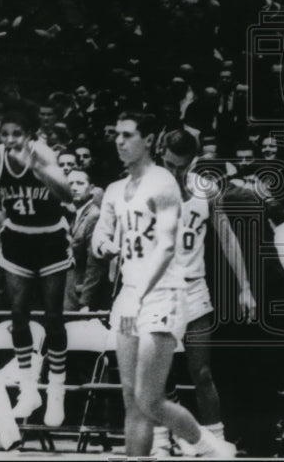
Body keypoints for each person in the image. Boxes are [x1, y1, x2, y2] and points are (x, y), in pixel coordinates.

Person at [90, 113, 235, 458]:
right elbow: (101, 233)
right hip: (129, 294)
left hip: (162, 294)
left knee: (150, 398)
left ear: (149, 140)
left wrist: (140, 296)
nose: (119, 141)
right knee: (132, 399)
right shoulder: (114, 189)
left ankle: (210, 447)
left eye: (128, 135)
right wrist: (102, 245)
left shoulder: (163, 182)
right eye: (117, 134)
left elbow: (168, 246)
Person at [0, 109, 74, 426]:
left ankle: (56, 391)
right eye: (5, 134)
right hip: (18, 241)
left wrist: (37, 167)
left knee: (53, 318)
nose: (10, 140)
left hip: (50, 240)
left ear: (31, 135)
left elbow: (67, 195)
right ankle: (28, 390)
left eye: (16, 134)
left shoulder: (44, 154)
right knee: (18, 315)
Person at [151, 131, 258, 456]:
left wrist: (245, 287)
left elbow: (227, 239)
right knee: (158, 375)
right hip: (157, 289)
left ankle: (215, 442)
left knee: (202, 373)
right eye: (169, 164)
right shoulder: (147, 188)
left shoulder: (206, 189)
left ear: (193, 161)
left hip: (195, 289)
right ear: (160, 154)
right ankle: (159, 443)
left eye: (182, 167)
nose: (176, 172)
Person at [63, 169, 110, 313]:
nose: (74, 187)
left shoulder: (93, 216)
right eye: (70, 183)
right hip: (71, 292)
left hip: (82, 295)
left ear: (91, 189)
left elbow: (95, 263)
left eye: (80, 183)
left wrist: (86, 302)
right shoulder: (76, 214)